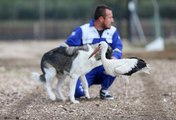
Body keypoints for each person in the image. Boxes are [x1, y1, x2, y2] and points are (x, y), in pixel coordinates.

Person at [65, 4, 123, 100]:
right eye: (110, 17)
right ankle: (81, 90)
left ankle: (104, 91)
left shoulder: (113, 31)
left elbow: (118, 48)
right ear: (101, 19)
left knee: (116, 64)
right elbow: (67, 47)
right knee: (78, 93)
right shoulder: (83, 30)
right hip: (85, 71)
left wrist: (114, 58)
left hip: (103, 69)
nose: (112, 20)